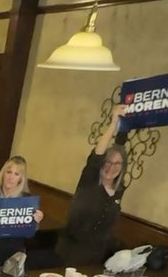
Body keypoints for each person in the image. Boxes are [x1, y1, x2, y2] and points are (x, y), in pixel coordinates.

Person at [55, 103, 128, 267]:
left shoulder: (119, 190)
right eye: (108, 162)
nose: (112, 167)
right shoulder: (90, 181)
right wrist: (114, 122)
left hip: (97, 256)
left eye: (117, 164)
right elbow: (97, 154)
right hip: (71, 252)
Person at [0, 155, 45, 265]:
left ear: (21, 178)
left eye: (16, 174)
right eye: (8, 172)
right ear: (3, 174)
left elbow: (29, 234)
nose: (11, 177)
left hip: (12, 255)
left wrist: (36, 222)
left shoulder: (27, 201)